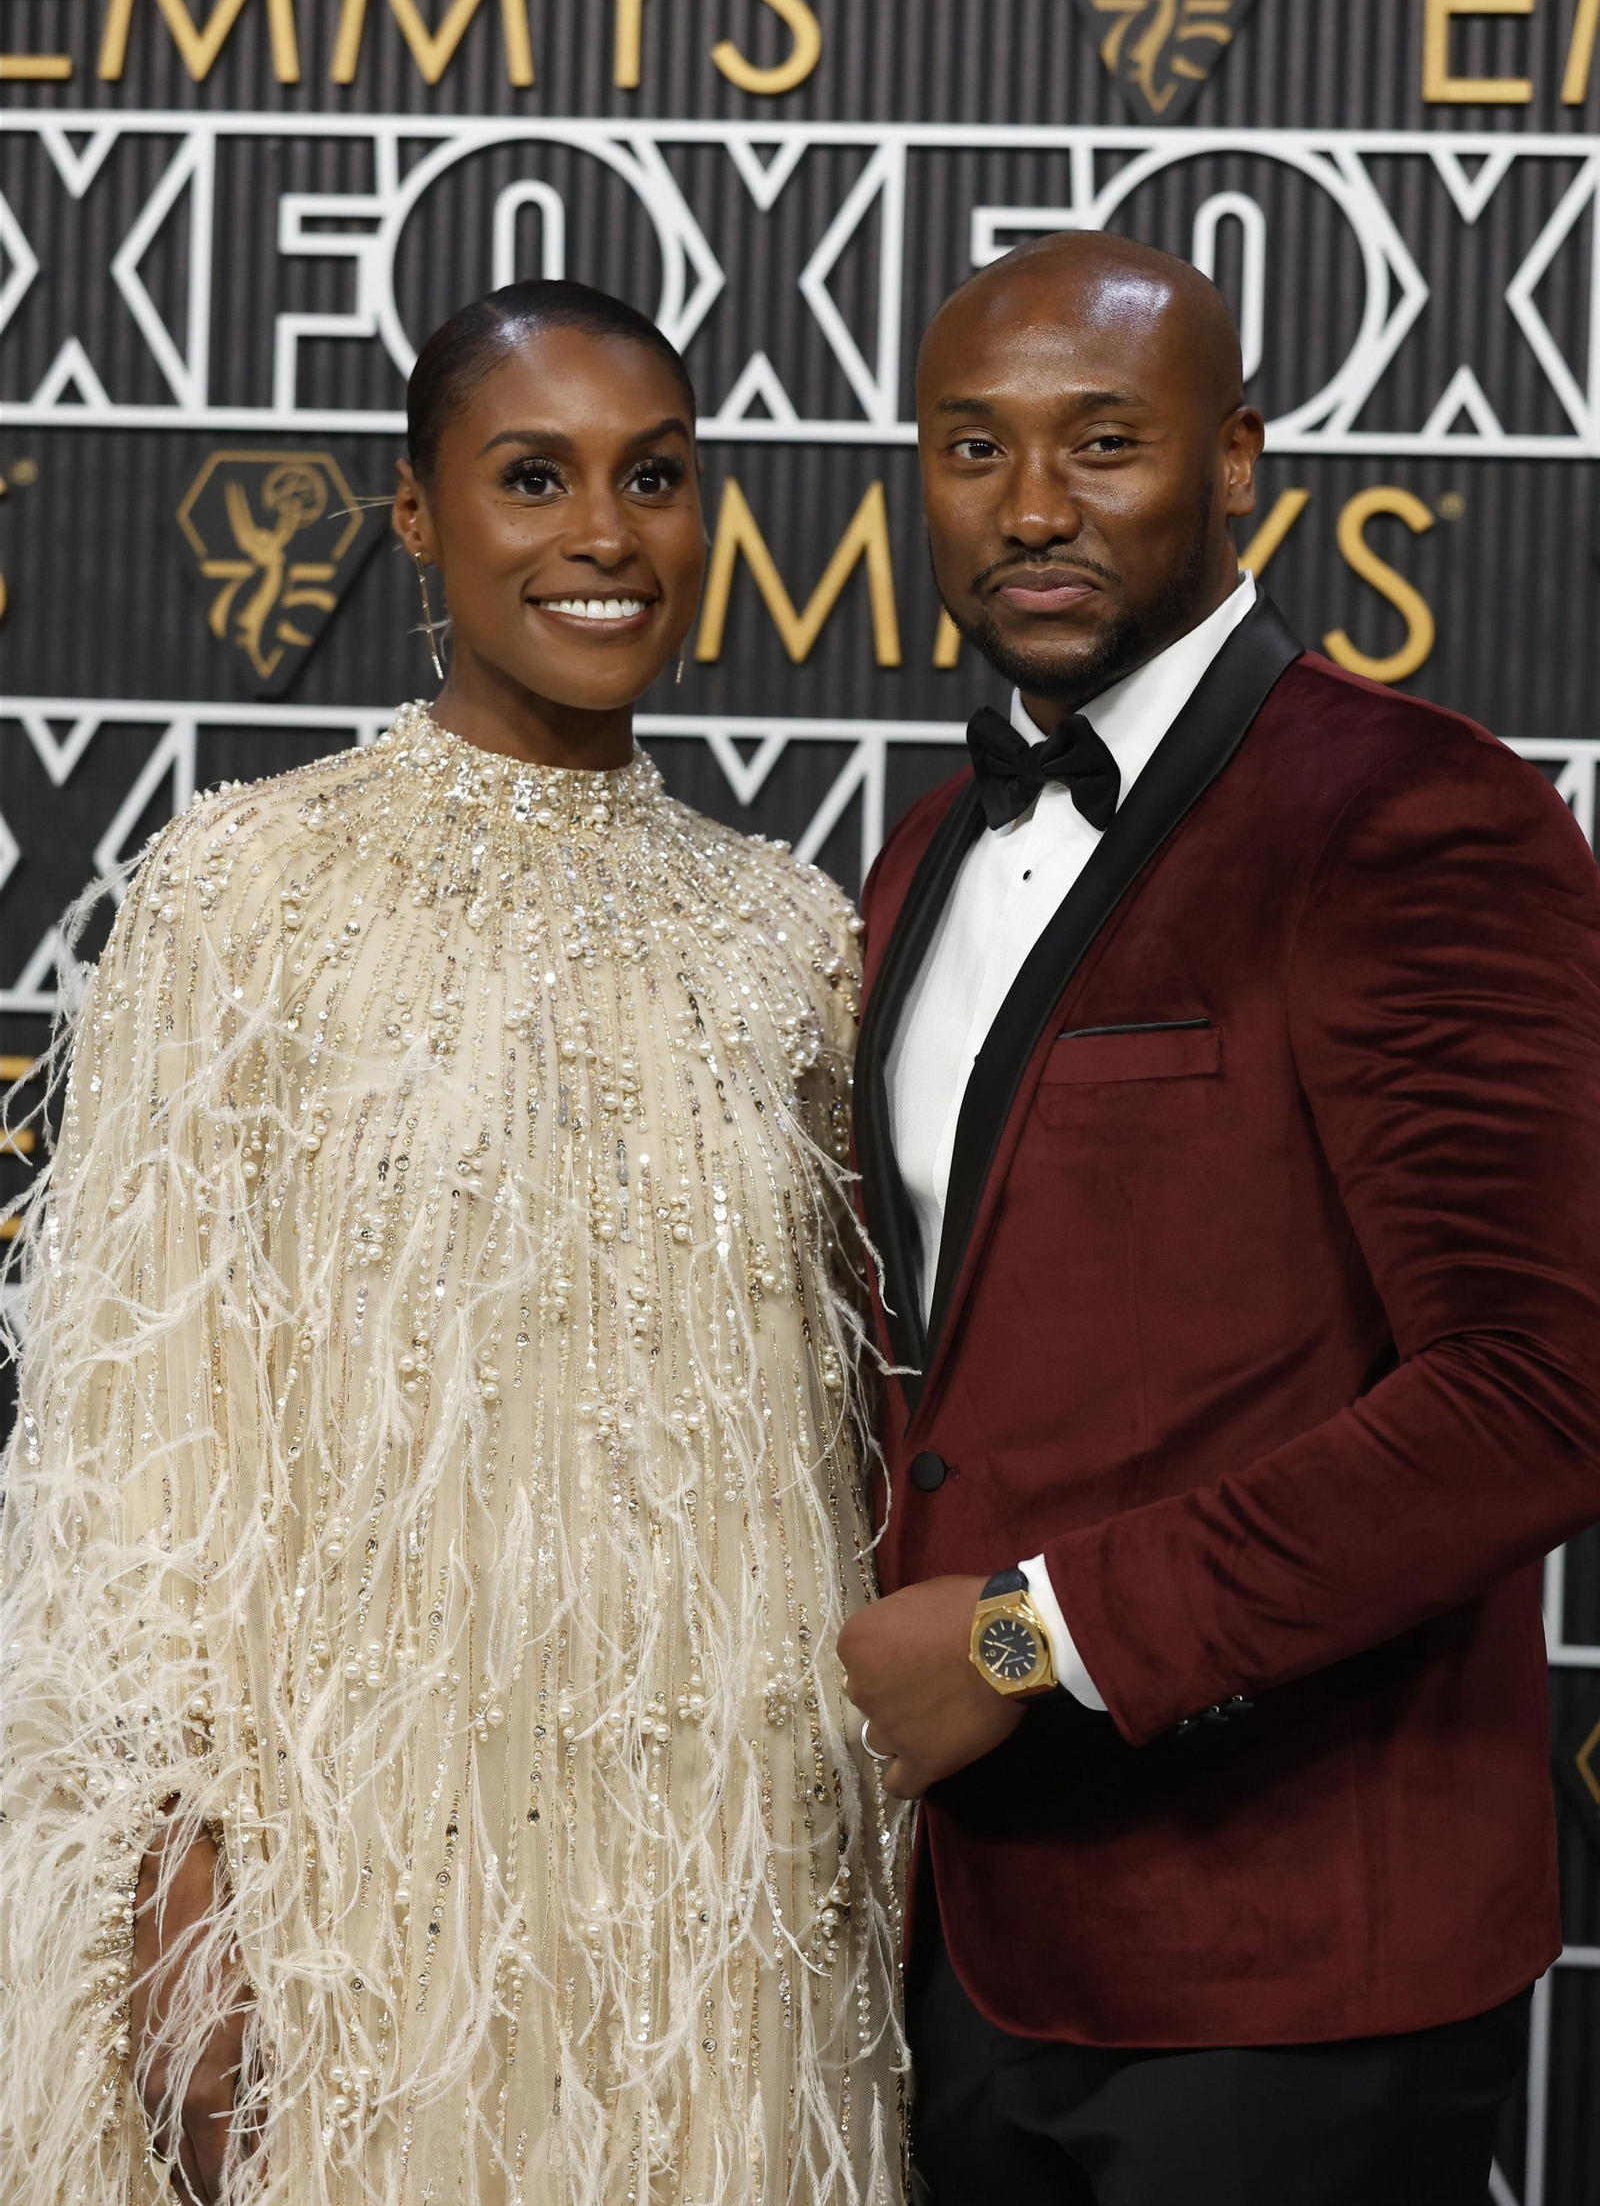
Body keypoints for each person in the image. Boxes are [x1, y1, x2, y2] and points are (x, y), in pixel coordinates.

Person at [1, 280, 905, 2206]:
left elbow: (849, 1450)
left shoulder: (793, 940)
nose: (605, 534)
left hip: (727, 1879)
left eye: (654, 477)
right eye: (533, 477)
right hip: (360, 1873)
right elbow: (137, 1443)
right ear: (417, 515)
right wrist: (174, 1885)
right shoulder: (244, 890)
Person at [835, 232, 1600, 2205]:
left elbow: (1539, 1393)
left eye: (1101, 444)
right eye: (972, 448)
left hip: (1291, 1968)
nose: (1029, 507)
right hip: (958, 1944)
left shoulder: (1405, 812)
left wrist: (1027, 1637)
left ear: (1237, 458)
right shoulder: (926, 849)